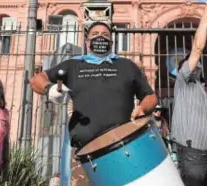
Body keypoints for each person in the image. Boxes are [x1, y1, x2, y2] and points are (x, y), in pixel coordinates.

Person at [30, 21, 158, 149]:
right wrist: (49, 88)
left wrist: (142, 108)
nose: (100, 37)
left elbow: (150, 96)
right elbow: (36, 80)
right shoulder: (72, 65)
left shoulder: (127, 65)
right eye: (95, 34)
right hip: (84, 149)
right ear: (87, 42)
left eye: (105, 35)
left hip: (124, 144)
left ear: (111, 42)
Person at [171, 4, 207, 186]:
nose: (198, 65)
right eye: (195, 63)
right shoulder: (185, 78)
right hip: (193, 156)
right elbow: (197, 49)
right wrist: (206, 15)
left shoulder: (199, 88)